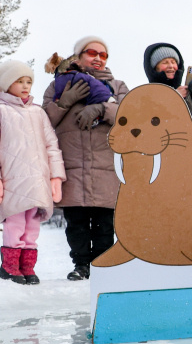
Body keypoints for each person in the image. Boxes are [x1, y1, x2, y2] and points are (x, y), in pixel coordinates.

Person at [43, 36, 130, 281]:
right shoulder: (58, 86)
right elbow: (43, 122)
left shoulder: (118, 86)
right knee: (76, 223)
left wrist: (103, 108)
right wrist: (64, 103)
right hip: (72, 165)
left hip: (107, 167)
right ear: (78, 56)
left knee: (105, 223)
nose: (98, 58)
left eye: (104, 55)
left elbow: (131, 114)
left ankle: (102, 267)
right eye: (92, 53)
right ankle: (81, 265)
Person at [0, 60, 65, 284]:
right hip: (12, 181)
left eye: (29, 81)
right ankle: (9, 267)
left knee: (32, 226)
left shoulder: (38, 113)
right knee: (15, 224)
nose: (26, 86)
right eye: (19, 81)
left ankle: (27, 267)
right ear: (7, 84)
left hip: (38, 181)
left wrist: (56, 177)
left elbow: (52, 146)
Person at [143, 43, 192, 145]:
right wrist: (174, 97)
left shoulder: (187, 91)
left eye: (173, 62)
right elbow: (149, 123)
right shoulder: (146, 95)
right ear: (154, 68)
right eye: (165, 62)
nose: (171, 66)